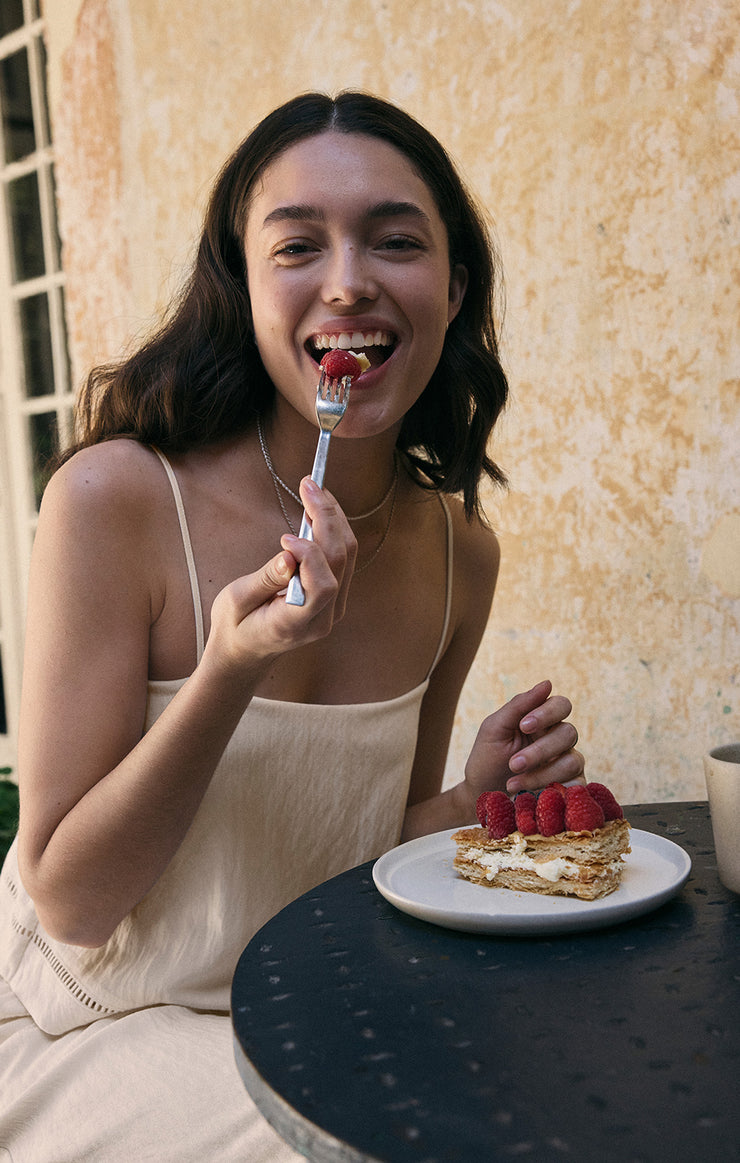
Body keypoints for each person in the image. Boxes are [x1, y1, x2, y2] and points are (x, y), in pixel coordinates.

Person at [0, 91, 583, 1160]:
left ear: (451, 291)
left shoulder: (460, 553)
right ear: (244, 287)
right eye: (297, 245)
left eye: (395, 241)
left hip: (300, 1019)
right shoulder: (114, 502)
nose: (349, 278)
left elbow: (349, 858)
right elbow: (73, 903)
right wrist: (228, 668)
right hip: (85, 1020)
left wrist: (463, 800)